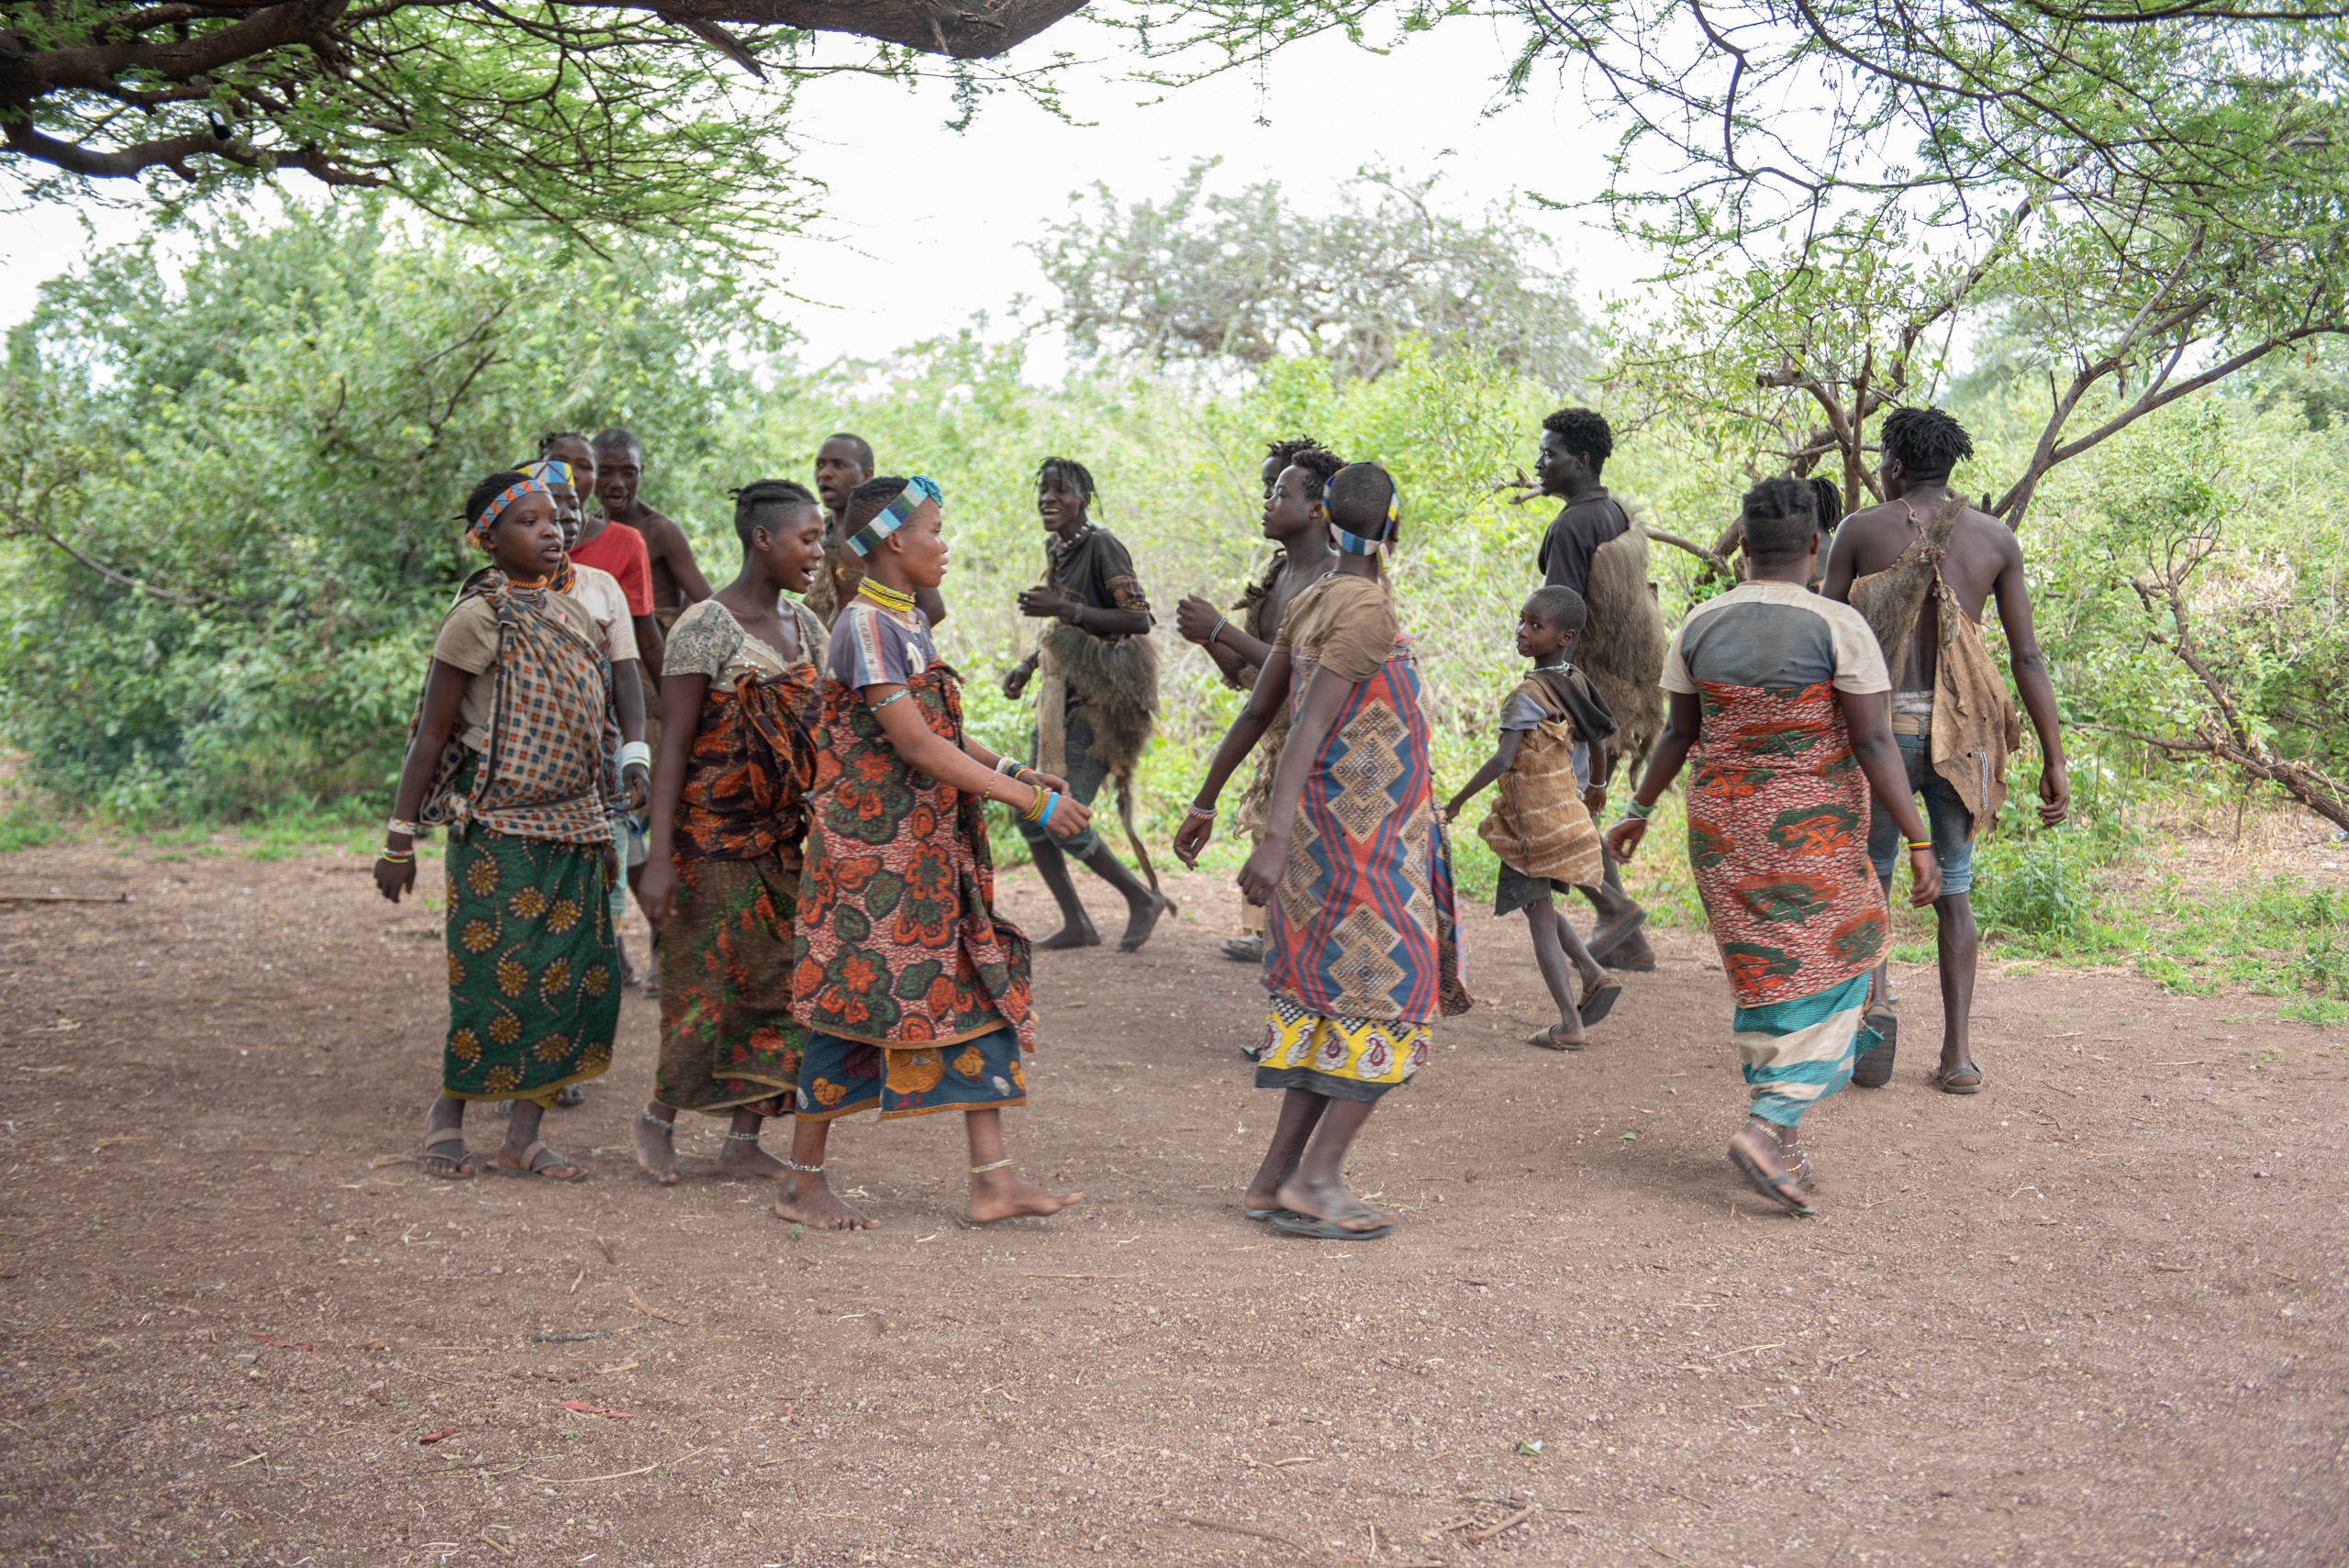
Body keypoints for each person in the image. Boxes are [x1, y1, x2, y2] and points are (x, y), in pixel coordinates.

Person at [1605, 478, 1942, 1217]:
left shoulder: (1700, 622)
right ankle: (1768, 1124)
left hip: (1723, 832)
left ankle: (1782, 1138)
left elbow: (1677, 733)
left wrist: (1636, 809)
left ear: (1746, 548)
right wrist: (1918, 836)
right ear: (1817, 547)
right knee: (1843, 958)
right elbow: (1874, 737)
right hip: (1814, 836)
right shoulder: (1839, 625)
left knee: (1766, 973)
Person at [779, 474, 1085, 1230]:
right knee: (847, 1007)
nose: (944, 544)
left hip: (920, 856)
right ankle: (802, 1181)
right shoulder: (864, 625)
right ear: (893, 541)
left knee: (976, 993)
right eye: (935, 529)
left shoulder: (904, 619)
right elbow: (915, 743)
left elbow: (936, 728)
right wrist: (1030, 801)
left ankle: (994, 1182)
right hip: (870, 863)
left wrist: (1013, 770)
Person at [1174, 463, 1470, 1240]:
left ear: (1328, 521)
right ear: (1394, 527)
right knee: (1397, 993)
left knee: (1327, 1006)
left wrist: (1208, 799)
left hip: (1322, 838)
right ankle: (1318, 1177)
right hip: (1351, 845)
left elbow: (1259, 711)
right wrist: (1267, 840)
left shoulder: (1311, 600)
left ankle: (1273, 1179)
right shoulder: (1366, 607)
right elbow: (1303, 728)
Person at [374, 469, 647, 1183]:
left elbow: (610, 711)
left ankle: (524, 1134)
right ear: (489, 540)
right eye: (529, 520)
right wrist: (398, 839)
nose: (551, 528)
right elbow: (430, 736)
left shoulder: (580, 615)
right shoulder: (478, 618)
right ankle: (449, 1113)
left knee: (571, 976)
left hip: (581, 821)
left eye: (555, 517)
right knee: (495, 977)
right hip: (497, 824)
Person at [1823, 406, 2069, 1094]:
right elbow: (2025, 654)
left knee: (1871, 874)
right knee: (1954, 890)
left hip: (1880, 735)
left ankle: (1874, 1005)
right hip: (1966, 742)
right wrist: (2053, 756)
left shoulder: (1859, 531)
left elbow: (1826, 634)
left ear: (1895, 465)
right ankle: (1958, 1055)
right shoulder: (1995, 538)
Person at [629, 481, 829, 1184]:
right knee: (703, 985)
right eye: (807, 538)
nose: (818, 551)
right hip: (709, 843)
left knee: (782, 988)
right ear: (762, 539)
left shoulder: (808, 628)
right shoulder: (703, 627)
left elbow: (822, 740)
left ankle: (744, 1138)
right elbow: (675, 747)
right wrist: (658, 858)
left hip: (783, 844)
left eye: (822, 537)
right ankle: (657, 1119)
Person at [1174, 439, 1342, 965]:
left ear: (1317, 509)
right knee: (1286, 891)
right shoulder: (1276, 577)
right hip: (1277, 747)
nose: (1266, 501)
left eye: (1279, 492)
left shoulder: (1337, 578)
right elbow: (1254, 684)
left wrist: (1222, 627)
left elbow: (1304, 669)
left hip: (1323, 755)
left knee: (1312, 888)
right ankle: (1295, 1020)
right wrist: (1208, 641)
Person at [1001, 457, 1173, 952]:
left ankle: (1141, 899)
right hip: (1059, 699)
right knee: (1030, 812)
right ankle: (1078, 922)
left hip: (1100, 706)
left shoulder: (1101, 546)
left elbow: (1138, 620)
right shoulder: (1058, 548)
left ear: (1084, 499)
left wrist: (1064, 607)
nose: (1048, 499)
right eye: (1043, 491)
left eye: (1061, 491)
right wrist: (1029, 664)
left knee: (1059, 813)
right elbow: (1063, 630)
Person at [1439, 585, 1621, 1050]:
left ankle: (1568, 1023)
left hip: (1531, 825)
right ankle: (1593, 972)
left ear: (1565, 637)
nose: (1522, 632)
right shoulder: (1576, 681)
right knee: (1538, 903)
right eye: (1522, 621)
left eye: (1535, 626)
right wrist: (1597, 787)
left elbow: (1503, 761)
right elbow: (1598, 739)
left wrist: (1457, 802)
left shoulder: (1526, 695)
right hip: (1568, 814)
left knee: (1538, 917)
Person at [1527, 406, 1667, 974]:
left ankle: (1614, 910)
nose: (1540, 462)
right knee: (1578, 801)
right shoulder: (1612, 511)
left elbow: (1560, 613)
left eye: (1549, 453)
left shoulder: (1571, 525)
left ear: (1579, 461)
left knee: (1557, 807)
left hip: (1579, 686)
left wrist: (1545, 690)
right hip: (1616, 683)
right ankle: (1624, 932)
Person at [543, 430, 662, 988]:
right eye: (556, 469)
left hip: (604, 749)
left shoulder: (607, 578)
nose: (571, 486)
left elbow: (630, 663)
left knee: (621, 854)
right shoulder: (490, 591)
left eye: (580, 471)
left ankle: (620, 948)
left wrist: (637, 748)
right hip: (526, 770)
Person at [804, 433, 948, 628]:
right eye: (820, 465)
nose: (825, 473)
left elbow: (933, 608)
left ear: (867, 476)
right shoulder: (818, 533)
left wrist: (892, 640)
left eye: (838, 465)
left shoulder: (880, 536)